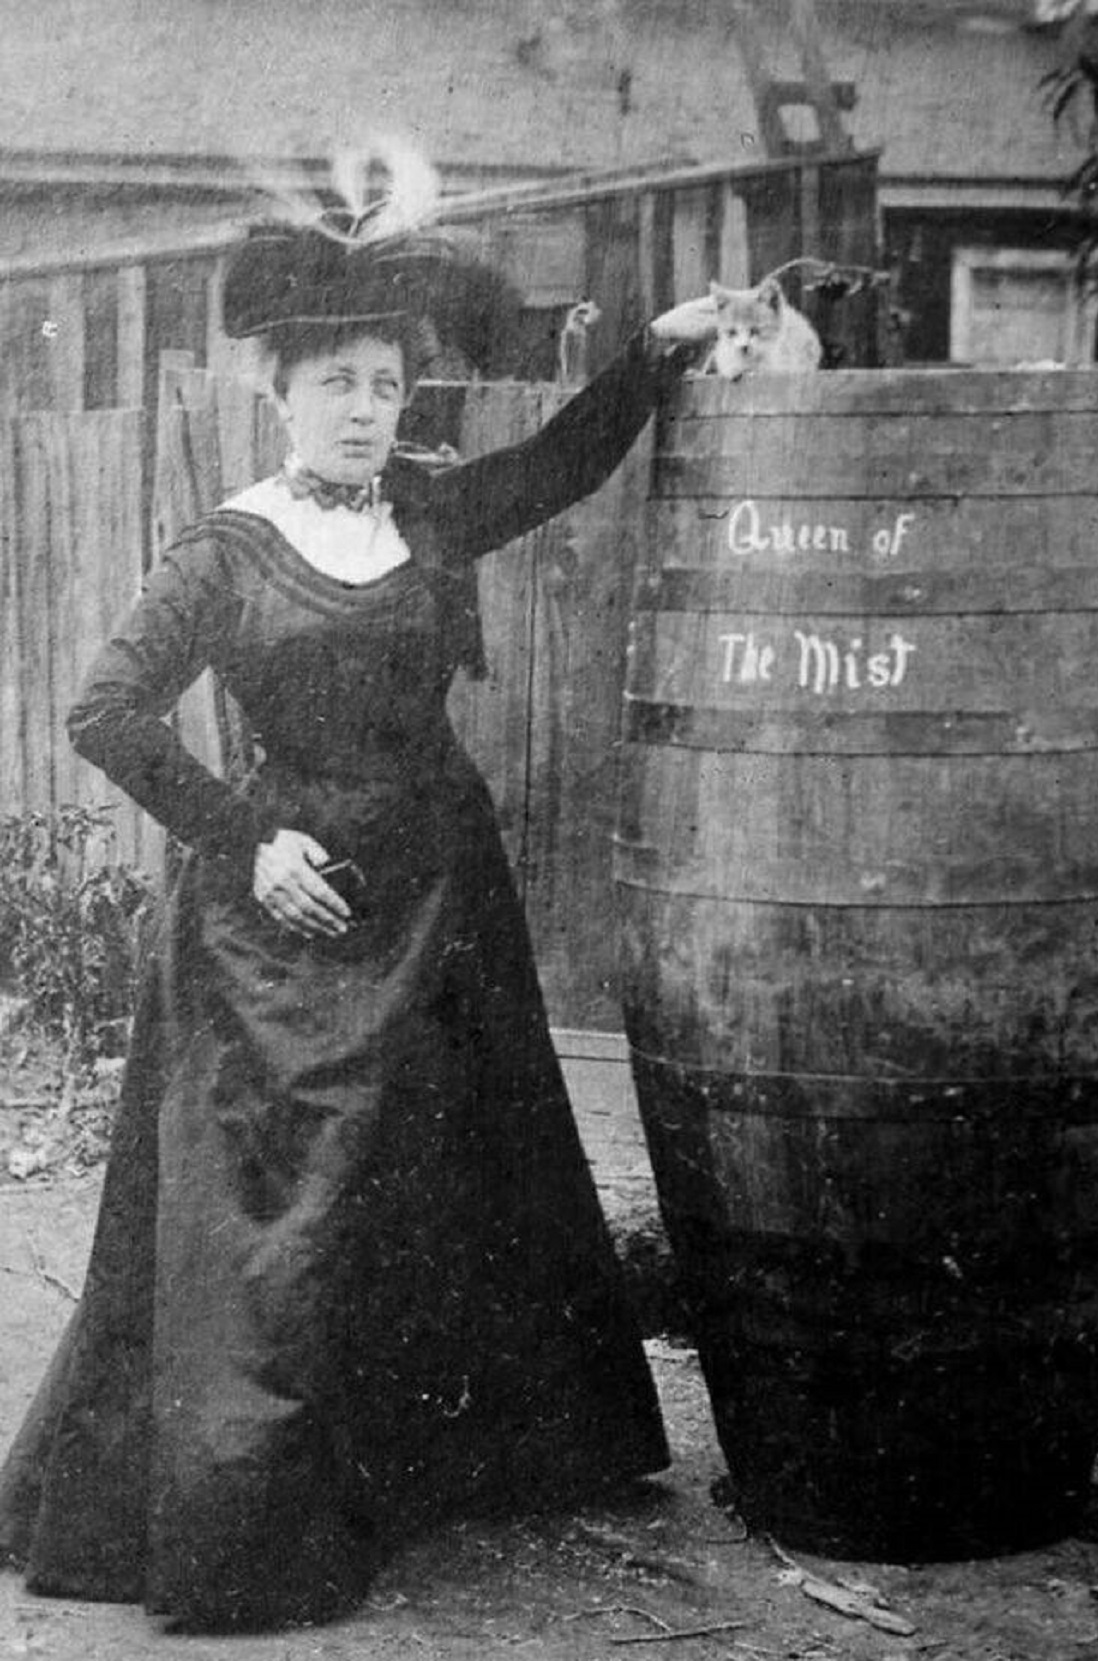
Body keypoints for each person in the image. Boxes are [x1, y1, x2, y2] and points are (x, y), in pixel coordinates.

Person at [0, 191, 715, 1632]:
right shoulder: (224, 549)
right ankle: (246, 1513)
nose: (365, 413)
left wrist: (656, 353)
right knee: (284, 1220)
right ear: (280, 392)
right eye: (337, 386)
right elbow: (106, 713)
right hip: (285, 917)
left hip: (441, 895)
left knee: (452, 1179)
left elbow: (562, 462)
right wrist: (243, 834)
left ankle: (431, 1469)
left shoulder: (428, 509)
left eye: (387, 388)